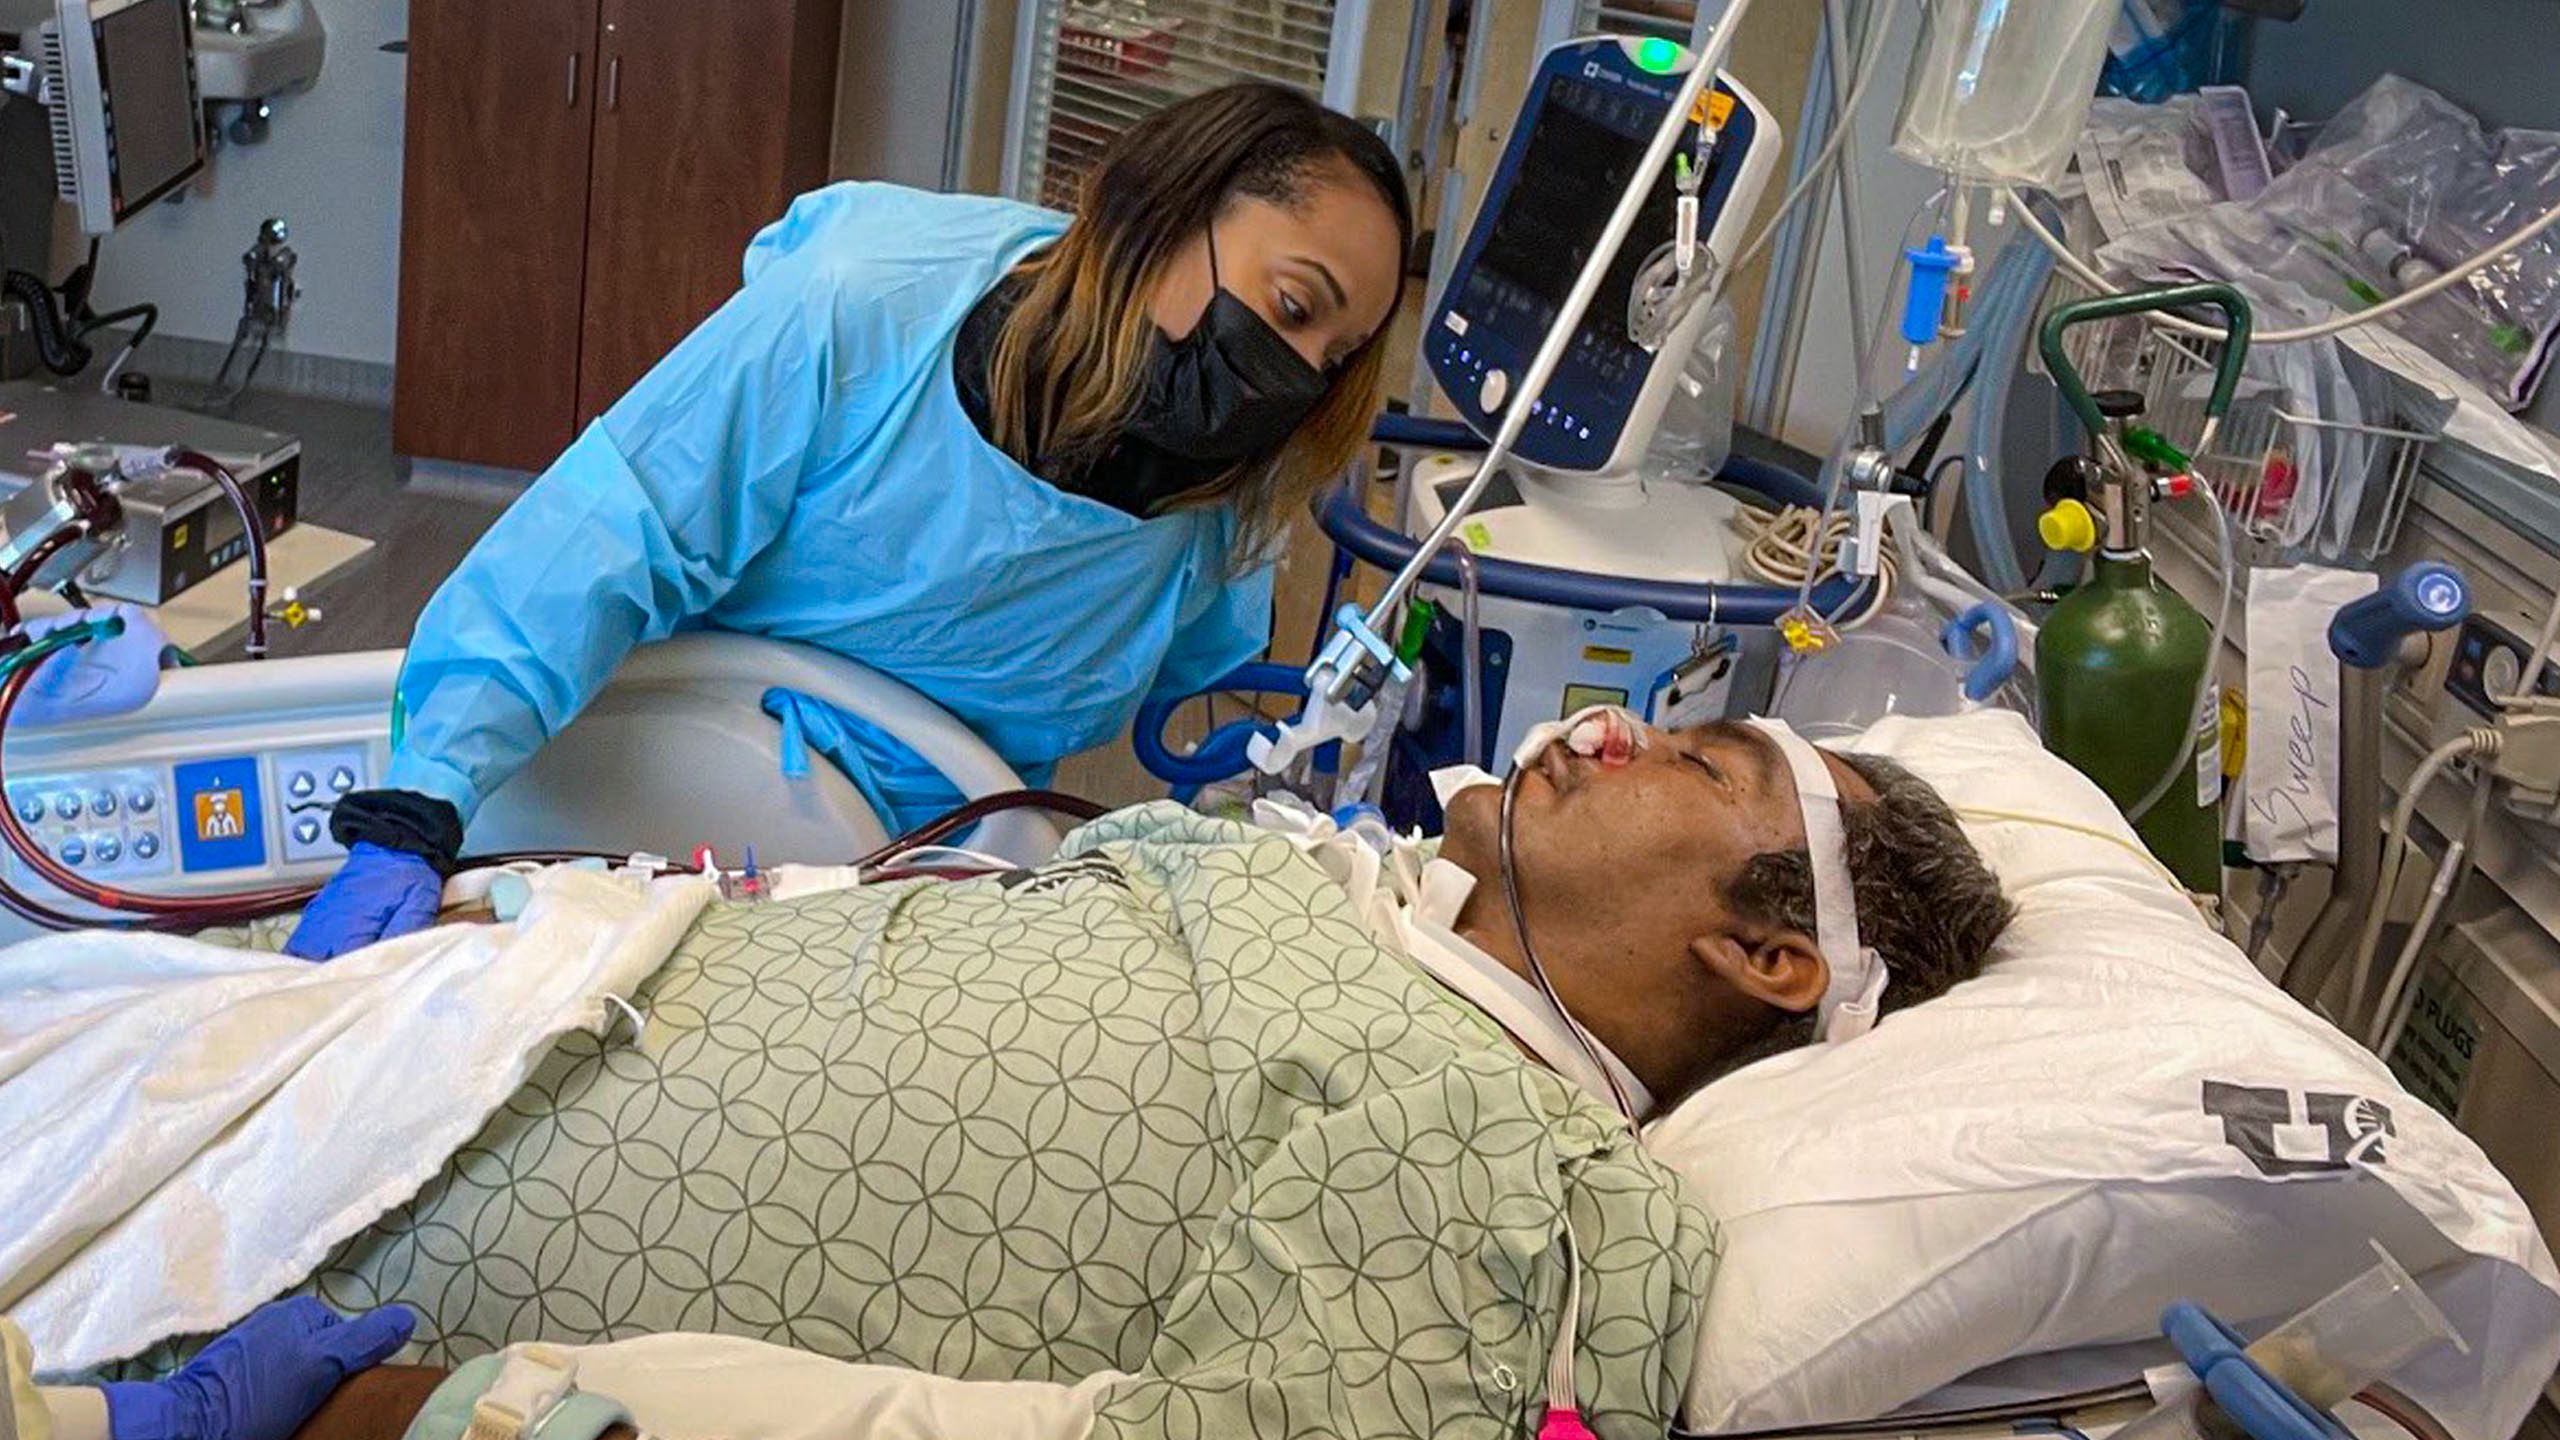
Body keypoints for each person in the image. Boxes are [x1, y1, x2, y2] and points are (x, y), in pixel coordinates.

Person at [38, 714, 2007, 1440]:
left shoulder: (1494, 1186)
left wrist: (474, 1413)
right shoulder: (1326, 892)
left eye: (1706, 770)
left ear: (1765, 955)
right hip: (368, 1035)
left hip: (295, 1299)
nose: (1612, 733)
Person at [282, 82, 1413, 960]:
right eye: (1292, 306)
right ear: (1164, 208)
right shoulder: (863, 309)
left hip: (931, 881)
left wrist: (1240, 784)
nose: (1294, 372)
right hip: (650, 777)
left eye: (1333, 356)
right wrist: (420, 803)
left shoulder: (1225, 500)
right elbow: (600, 542)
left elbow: (1205, 714)